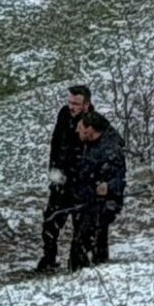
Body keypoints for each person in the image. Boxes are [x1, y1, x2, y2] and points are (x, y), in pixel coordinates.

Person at [38, 85, 92, 271]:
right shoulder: (64, 115)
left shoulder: (92, 121)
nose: (71, 107)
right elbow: (55, 142)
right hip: (60, 179)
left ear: (86, 105)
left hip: (80, 182)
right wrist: (53, 170)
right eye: (69, 102)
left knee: (81, 226)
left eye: (76, 103)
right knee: (50, 222)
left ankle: (77, 263)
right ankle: (49, 259)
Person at [69, 111, 126, 271]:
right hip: (88, 202)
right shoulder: (92, 144)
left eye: (80, 128)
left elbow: (119, 180)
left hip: (101, 206)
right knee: (85, 243)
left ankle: (92, 274)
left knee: (87, 243)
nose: (77, 131)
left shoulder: (110, 150)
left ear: (90, 129)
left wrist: (107, 187)